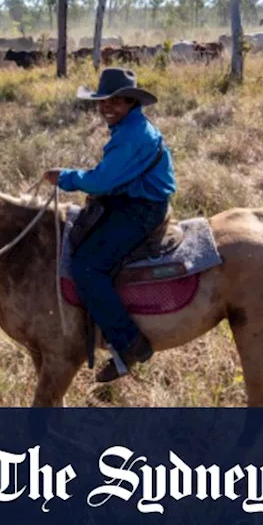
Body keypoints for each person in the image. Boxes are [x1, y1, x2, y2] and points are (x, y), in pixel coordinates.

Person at [42, 67, 176, 382]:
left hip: (141, 208)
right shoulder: (130, 127)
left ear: (131, 102)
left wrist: (65, 177)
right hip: (131, 199)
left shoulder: (131, 135)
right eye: (102, 102)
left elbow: (102, 181)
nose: (106, 108)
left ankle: (129, 343)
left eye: (115, 102)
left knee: (88, 266)